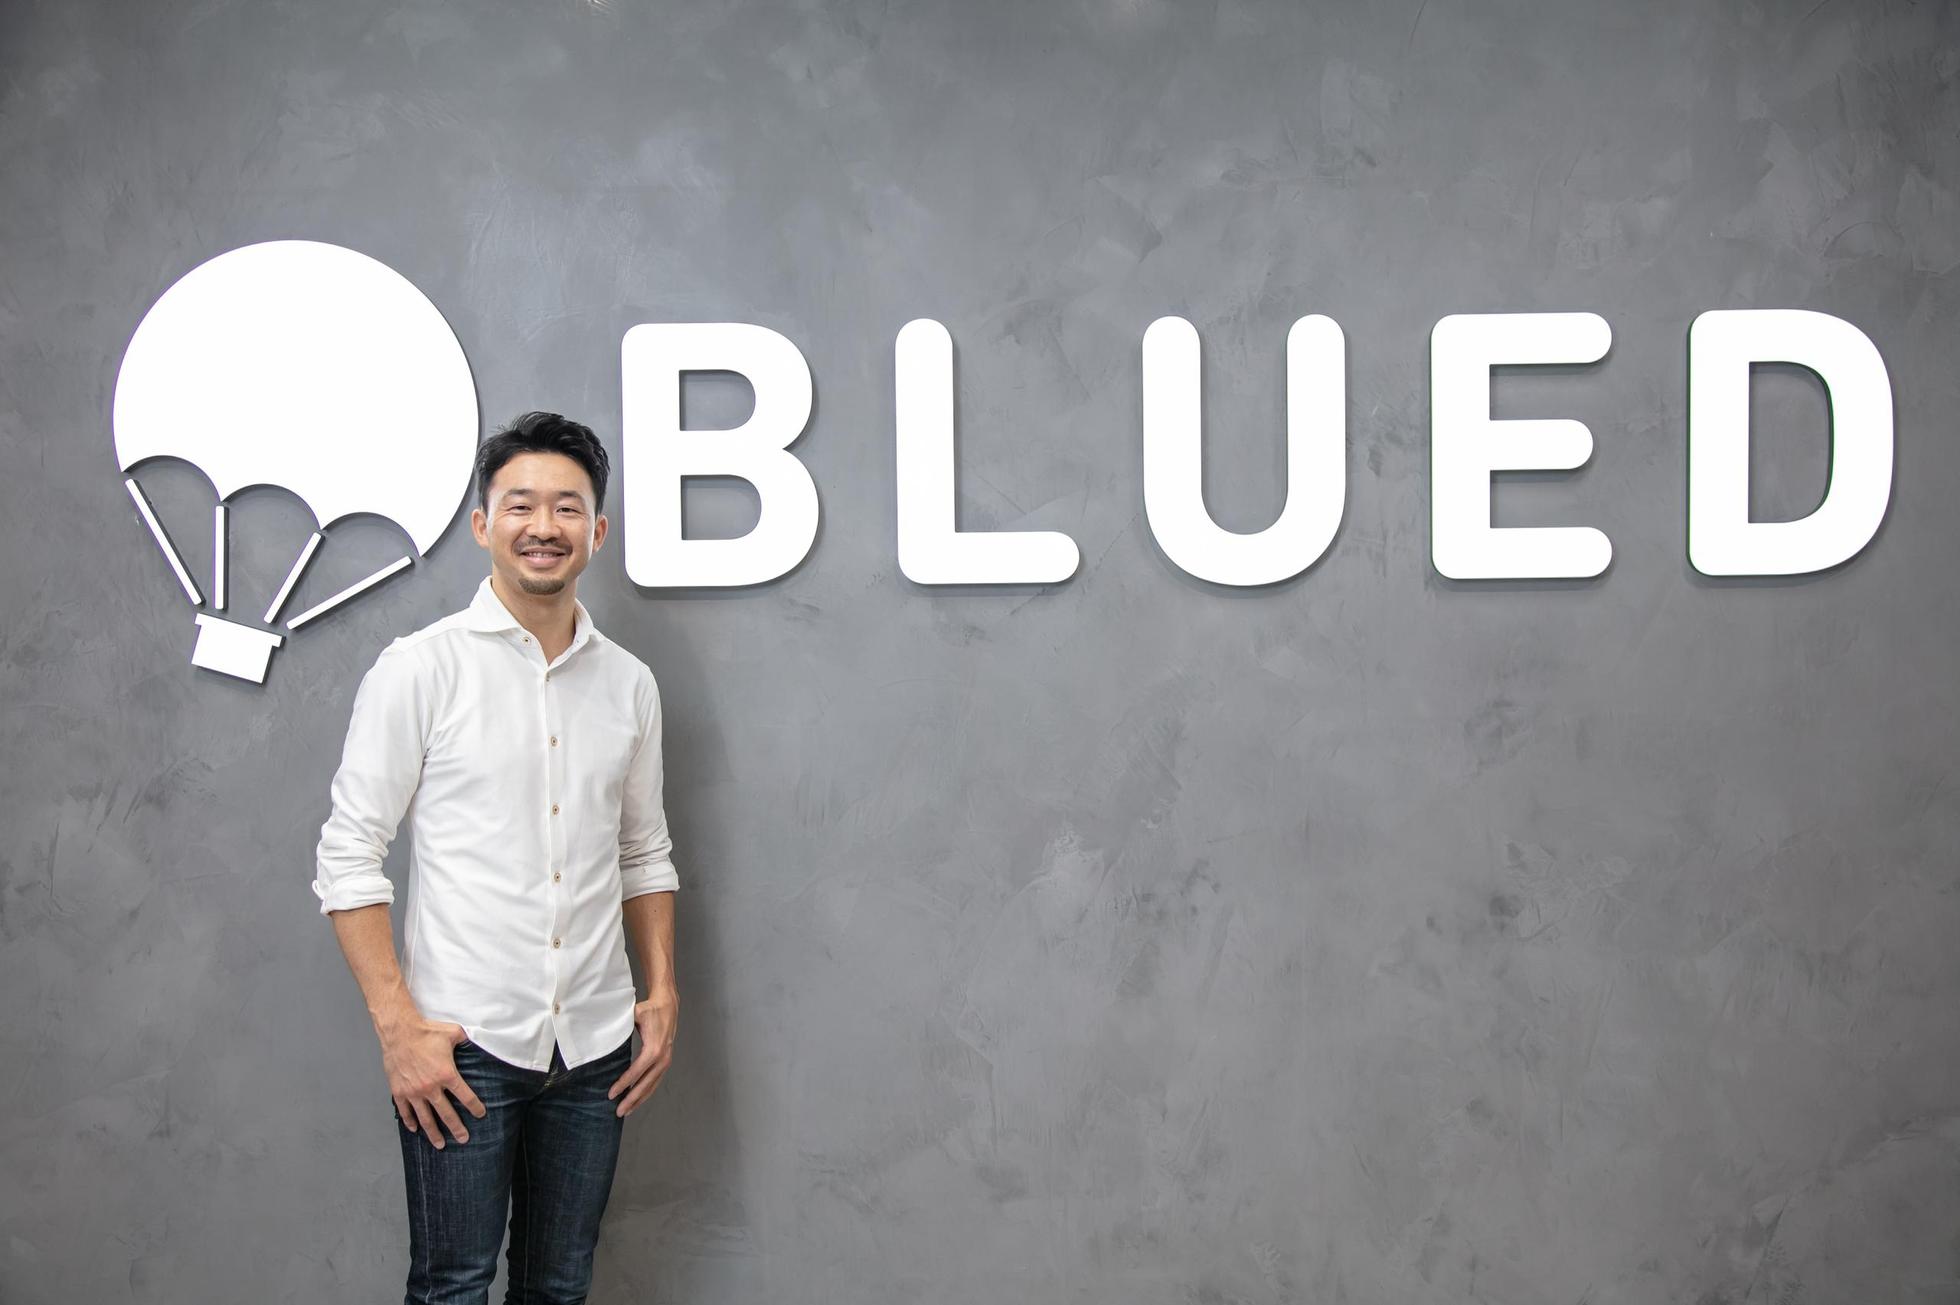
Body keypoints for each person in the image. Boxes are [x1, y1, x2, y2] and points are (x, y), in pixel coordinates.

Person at [312, 412, 680, 1304]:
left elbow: (644, 851)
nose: (543, 526)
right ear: (483, 524)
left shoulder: (629, 684)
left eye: (567, 507)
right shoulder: (419, 669)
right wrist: (398, 1028)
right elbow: (349, 851)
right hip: (463, 1046)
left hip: (595, 1046)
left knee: (559, 1287)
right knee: (453, 1286)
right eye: (520, 504)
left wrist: (662, 990)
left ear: (598, 530)